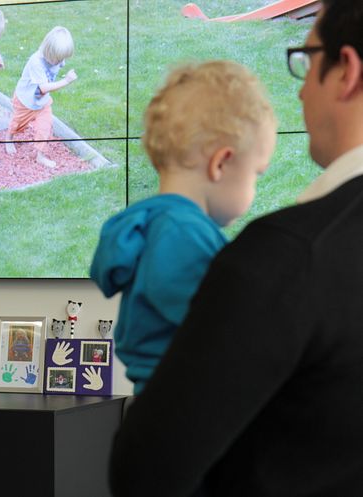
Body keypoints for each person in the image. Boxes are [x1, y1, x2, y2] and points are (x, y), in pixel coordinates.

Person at [111, 2, 363, 495]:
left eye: (307, 59)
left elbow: (146, 469)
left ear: (346, 71)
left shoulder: (285, 258)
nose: (300, 85)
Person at [90, 60, 277, 395]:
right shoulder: (180, 232)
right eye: (256, 175)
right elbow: (222, 323)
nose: (254, 189)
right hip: (183, 396)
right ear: (221, 163)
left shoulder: (155, 222)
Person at [4, 26, 77, 168]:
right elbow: (43, 88)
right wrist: (66, 81)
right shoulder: (35, 62)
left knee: (45, 126)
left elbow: (45, 89)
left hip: (42, 102)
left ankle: (40, 155)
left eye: (63, 58)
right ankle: (9, 138)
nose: (61, 62)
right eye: (58, 58)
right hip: (25, 101)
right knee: (17, 124)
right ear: (49, 52)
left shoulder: (57, 58)